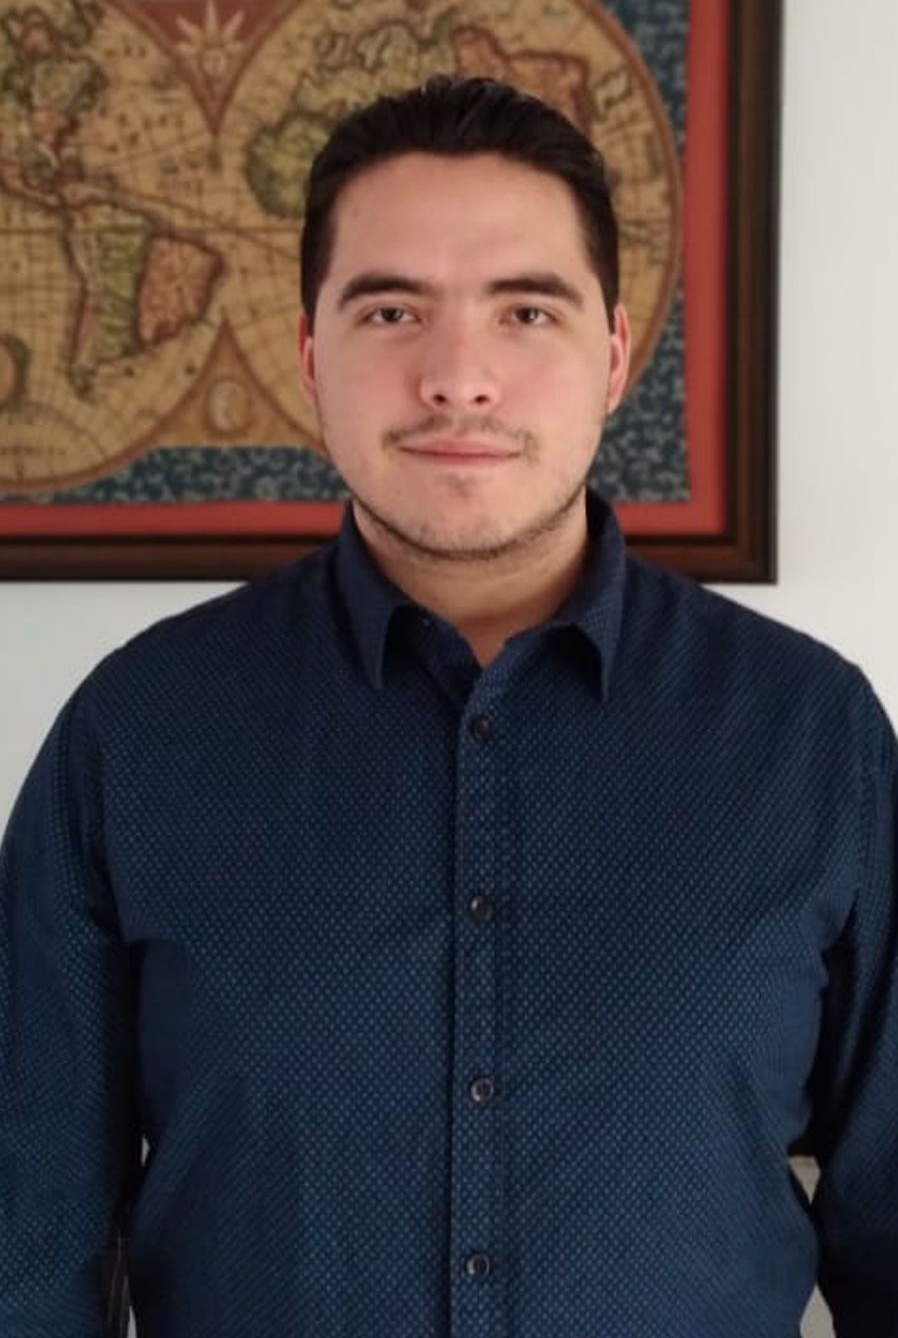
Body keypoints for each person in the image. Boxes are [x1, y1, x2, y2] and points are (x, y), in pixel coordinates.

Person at [0, 73, 895, 1338]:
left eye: (525, 310)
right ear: (310, 355)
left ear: (613, 355)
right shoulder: (134, 736)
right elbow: (26, 1236)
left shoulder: (813, 737)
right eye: (391, 312)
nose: (458, 379)